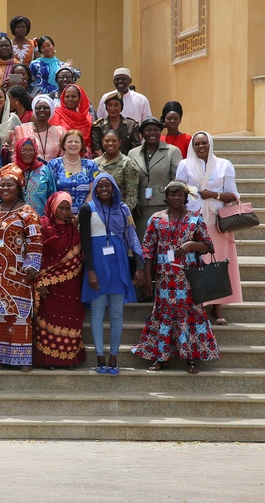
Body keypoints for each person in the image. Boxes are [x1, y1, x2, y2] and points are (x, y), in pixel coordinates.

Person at [132, 181, 220, 373]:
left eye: (180, 194)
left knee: (190, 317)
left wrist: (191, 245)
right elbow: (147, 251)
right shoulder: (156, 219)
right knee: (163, 317)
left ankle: (190, 359)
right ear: (166, 197)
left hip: (188, 279)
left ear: (186, 197)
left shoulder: (195, 218)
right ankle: (162, 358)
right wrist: (148, 278)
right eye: (172, 194)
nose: (176, 197)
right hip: (164, 280)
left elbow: (208, 245)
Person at [79, 173, 144, 375]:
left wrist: (139, 266)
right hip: (96, 264)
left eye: (108, 185)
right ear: (95, 189)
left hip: (118, 263)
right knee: (97, 312)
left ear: (114, 188)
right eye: (100, 186)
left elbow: (132, 238)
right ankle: (99, 356)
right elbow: (85, 243)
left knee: (117, 312)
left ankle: (114, 357)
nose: (104, 189)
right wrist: (90, 270)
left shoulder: (123, 209)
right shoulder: (86, 209)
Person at [176, 131, 242, 324]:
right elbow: (178, 191)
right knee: (196, 265)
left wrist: (213, 194)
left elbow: (234, 196)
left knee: (218, 264)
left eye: (204, 143)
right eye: (197, 144)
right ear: (192, 146)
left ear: (210, 144)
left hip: (217, 223)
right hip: (192, 222)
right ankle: (199, 307)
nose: (201, 146)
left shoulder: (224, 165)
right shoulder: (184, 165)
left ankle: (217, 308)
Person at [0, 170, 43, 371]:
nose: (5, 188)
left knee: (19, 316)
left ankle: (22, 360)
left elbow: (35, 240)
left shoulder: (27, 212)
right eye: (2, 185)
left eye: (10, 185)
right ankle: (0, 358)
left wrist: (32, 265)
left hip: (18, 273)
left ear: (18, 188)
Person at [32, 191, 86, 368]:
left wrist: (77, 226)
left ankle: (69, 359)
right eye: (60, 208)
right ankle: (49, 360)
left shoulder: (73, 227)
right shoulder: (42, 226)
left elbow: (79, 254)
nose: (63, 212)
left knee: (70, 321)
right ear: (52, 207)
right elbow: (36, 255)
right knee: (48, 321)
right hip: (48, 287)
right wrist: (40, 281)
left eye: (67, 209)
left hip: (70, 286)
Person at [129, 117, 182, 233]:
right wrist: (135, 202)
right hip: (141, 208)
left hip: (164, 205)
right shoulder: (132, 153)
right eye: (148, 130)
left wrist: (172, 201)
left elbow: (177, 180)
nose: (152, 133)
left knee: (165, 242)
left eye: (156, 129)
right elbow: (131, 181)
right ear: (142, 134)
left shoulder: (173, 151)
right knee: (144, 243)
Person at [46, 129, 100, 214]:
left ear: (82, 145)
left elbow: (93, 191)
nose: (73, 144)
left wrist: (82, 213)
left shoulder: (90, 165)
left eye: (76, 142)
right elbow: (50, 191)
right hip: (59, 214)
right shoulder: (54, 165)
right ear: (64, 144)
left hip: (85, 214)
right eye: (70, 141)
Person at [5, 137, 52, 216]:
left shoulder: (44, 170)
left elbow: (51, 194)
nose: (27, 153)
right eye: (24, 150)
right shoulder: (10, 170)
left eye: (31, 150)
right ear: (18, 151)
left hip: (40, 219)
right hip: (14, 220)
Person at [95, 130, 141, 211]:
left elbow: (131, 195)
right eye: (107, 141)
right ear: (102, 142)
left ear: (119, 143)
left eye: (114, 141)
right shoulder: (95, 163)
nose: (110, 143)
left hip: (119, 211)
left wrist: (122, 213)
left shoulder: (127, 163)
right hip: (98, 210)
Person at [13, 95, 66, 162]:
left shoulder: (60, 132)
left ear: (51, 110)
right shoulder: (20, 130)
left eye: (45, 107)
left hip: (53, 170)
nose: (42, 110)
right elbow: (14, 155)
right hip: (26, 170)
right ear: (34, 111)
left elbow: (63, 156)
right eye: (38, 108)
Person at [92, 92, 141, 157]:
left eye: (116, 105)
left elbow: (135, 147)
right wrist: (104, 162)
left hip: (126, 163)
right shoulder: (98, 126)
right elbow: (96, 147)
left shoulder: (132, 125)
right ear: (106, 107)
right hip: (103, 163)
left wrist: (125, 162)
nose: (113, 108)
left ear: (121, 107)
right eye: (109, 105)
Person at [50, 84, 94, 157]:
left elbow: (88, 143)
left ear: (80, 98)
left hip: (83, 158)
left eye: (73, 96)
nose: (70, 99)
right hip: (60, 158)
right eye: (67, 96)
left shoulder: (87, 118)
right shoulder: (55, 115)